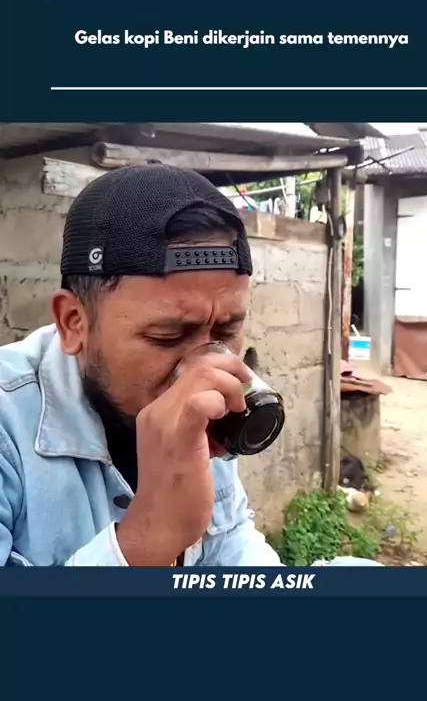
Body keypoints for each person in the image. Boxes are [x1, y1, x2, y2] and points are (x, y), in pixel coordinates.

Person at [0, 162, 380, 567]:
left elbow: (229, 540)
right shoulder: (10, 427)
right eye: (167, 336)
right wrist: (146, 538)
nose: (208, 368)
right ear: (74, 323)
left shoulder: (210, 411)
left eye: (226, 331)